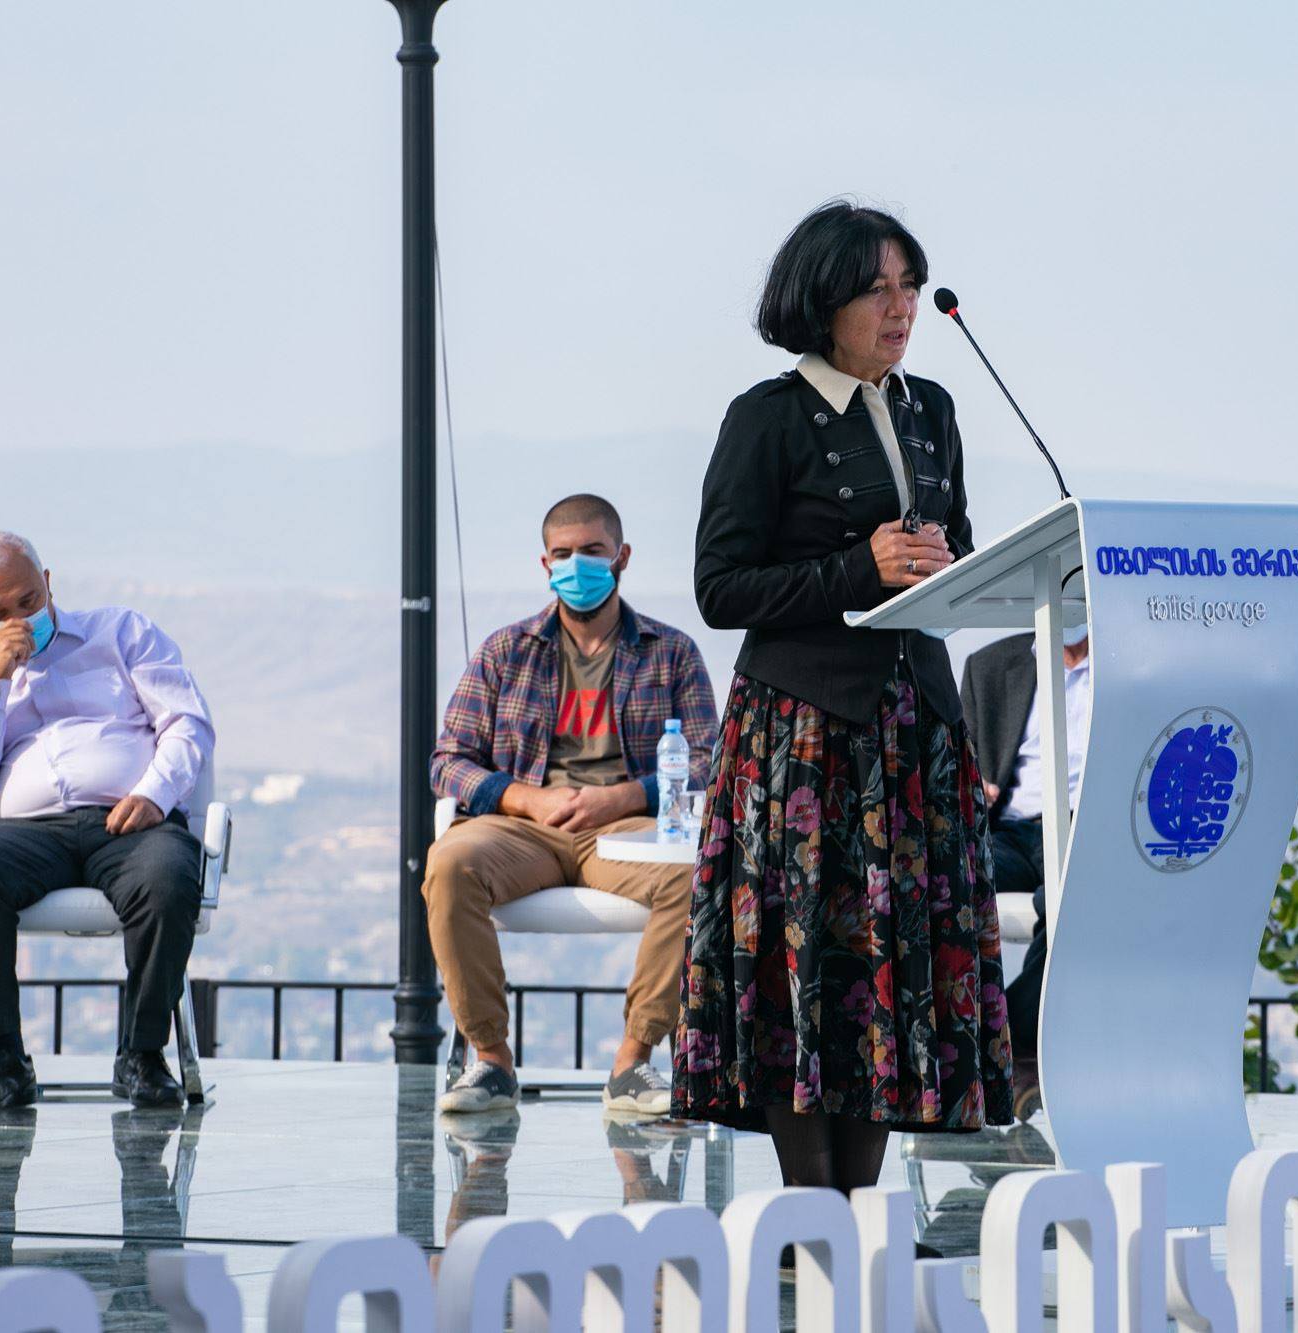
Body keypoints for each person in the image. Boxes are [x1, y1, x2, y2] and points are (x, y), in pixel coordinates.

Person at [673, 201, 1013, 1197]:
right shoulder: (767, 417)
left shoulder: (931, 409)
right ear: (821, 302)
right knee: (811, 969)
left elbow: (951, 549)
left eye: (910, 286)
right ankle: (807, 1209)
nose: (900, 307)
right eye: (877, 289)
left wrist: (948, 561)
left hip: (916, 731)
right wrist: (858, 567)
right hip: (805, 737)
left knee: (887, 979)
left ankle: (858, 1211)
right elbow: (720, 588)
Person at [427, 494, 717, 1117]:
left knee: (696, 876)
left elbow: (707, 758)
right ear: (544, 563)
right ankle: (491, 1062)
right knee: (450, 865)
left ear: (622, 557)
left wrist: (625, 795)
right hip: (522, 828)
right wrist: (525, 798)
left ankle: (633, 1063)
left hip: (627, 829)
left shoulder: (671, 652)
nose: (577, 565)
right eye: (563, 554)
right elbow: (448, 760)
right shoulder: (506, 651)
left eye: (592, 551)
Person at [0, 532, 216, 1110]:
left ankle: (141, 1055)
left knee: (167, 877)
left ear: (48, 583)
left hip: (129, 820)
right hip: (24, 833)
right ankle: (1, 1059)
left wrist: (155, 794)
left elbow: (187, 723)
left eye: (28, 601)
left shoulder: (121, 634)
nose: (17, 621)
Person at [959, 626, 1093, 1118]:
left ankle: (1006, 1041)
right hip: (1007, 829)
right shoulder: (989, 665)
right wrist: (974, 786)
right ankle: (955, 1039)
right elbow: (960, 760)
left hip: (1085, 825)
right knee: (942, 881)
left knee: (1067, 900)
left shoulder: (1130, 665)